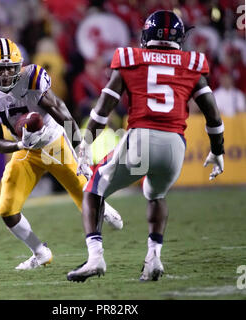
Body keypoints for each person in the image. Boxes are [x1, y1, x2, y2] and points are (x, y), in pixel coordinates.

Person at [67, 10, 225, 282]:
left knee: (93, 190)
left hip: (141, 137)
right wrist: (218, 150)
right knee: (156, 194)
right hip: (175, 146)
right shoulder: (191, 63)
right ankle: (154, 259)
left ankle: (95, 258)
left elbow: (104, 108)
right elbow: (213, 114)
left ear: (146, 36)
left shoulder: (131, 59)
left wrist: (86, 141)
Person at [0, 38, 123, 270]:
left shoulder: (32, 78)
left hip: (54, 144)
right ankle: (40, 253)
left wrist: (80, 151)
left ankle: (97, 201)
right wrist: (20, 145)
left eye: (11, 67)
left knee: (90, 205)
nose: (5, 74)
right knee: (7, 209)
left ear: (19, 65)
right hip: (27, 151)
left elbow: (64, 114)